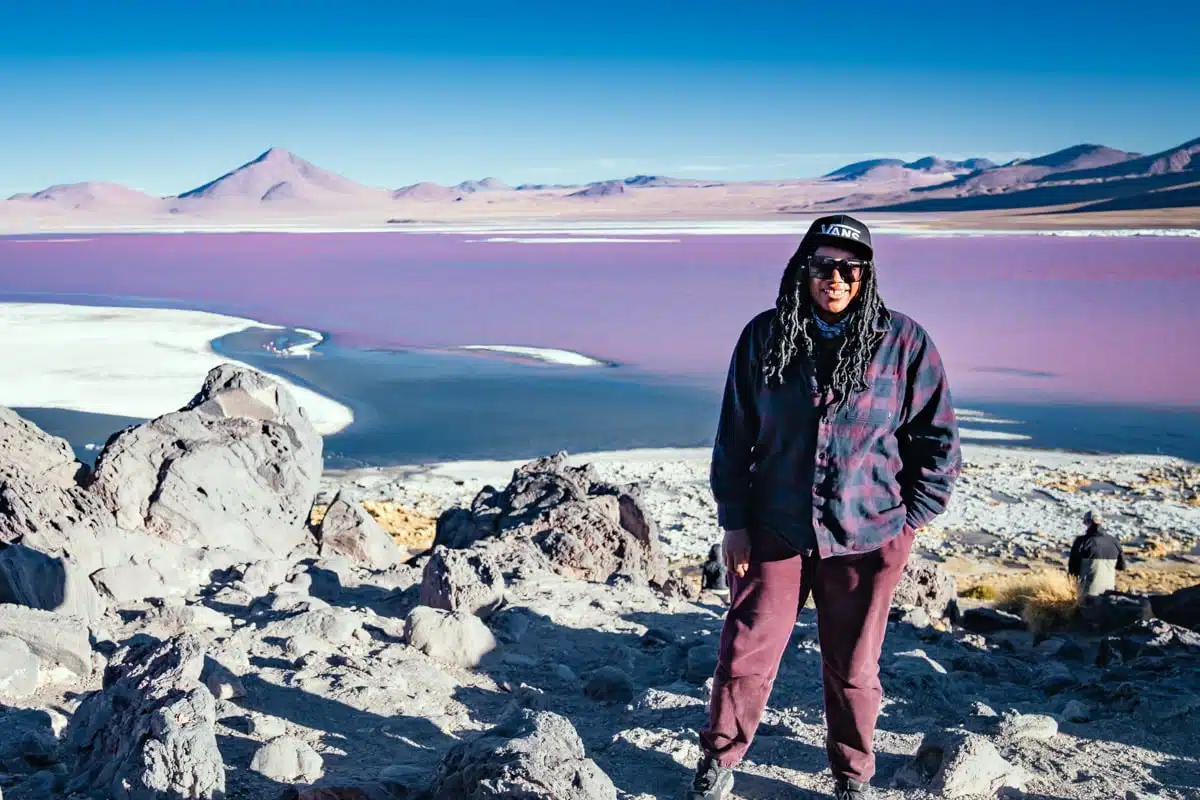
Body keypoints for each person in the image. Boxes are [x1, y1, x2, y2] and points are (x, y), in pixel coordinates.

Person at [688, 214, 962, 800]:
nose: (834, 278)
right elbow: (734, 438)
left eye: (848, 268)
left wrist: (906, 524)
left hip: (868, 536)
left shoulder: (904, 343)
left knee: (855, 668)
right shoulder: (765, 336)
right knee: (745, 650)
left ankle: (853, 777)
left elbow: (937, 442)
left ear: (865, 276)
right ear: (802, 270)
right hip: (774, 529)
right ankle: (718, 761)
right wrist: (734, 522)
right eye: (823, 266)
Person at [1067, 509, 1126, 600]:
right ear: (1101, 522)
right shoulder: (1114, 541)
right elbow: (1122, 567)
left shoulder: (1081, 542)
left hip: (1088, 595)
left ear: (1087, 523)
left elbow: (1073, 570)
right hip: (1109, 593)